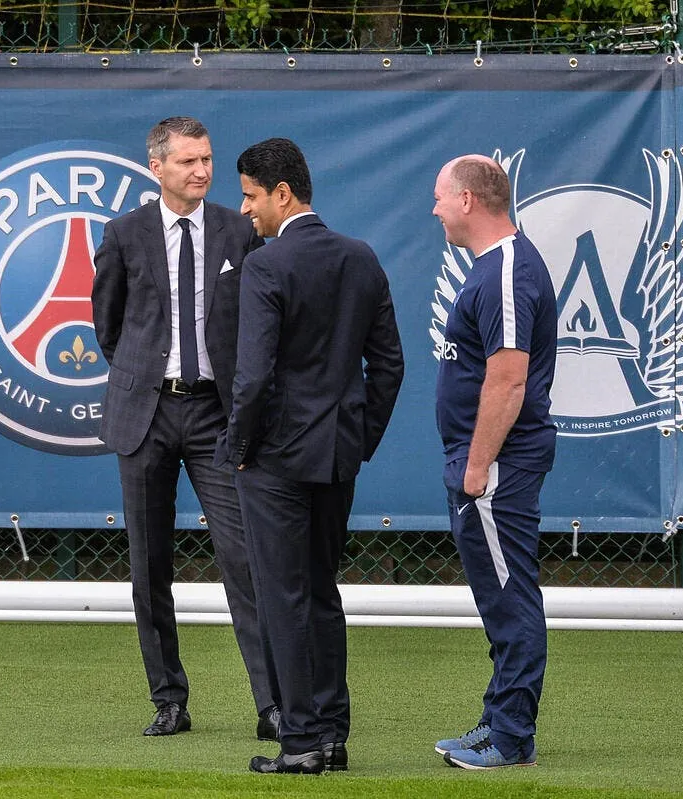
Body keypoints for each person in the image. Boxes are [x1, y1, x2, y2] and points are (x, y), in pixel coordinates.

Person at [91, 116, 280, 742]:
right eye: (188, 161)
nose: (202, 171)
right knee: (149, 566)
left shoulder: (238, 229)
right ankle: (168, 699)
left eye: (207, 159)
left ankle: (273, 704)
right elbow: (109, 327)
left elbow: (259, 321)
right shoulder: (123, 234)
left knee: (244, 558)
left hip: (215, 416)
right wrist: (147, 375)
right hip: (144, 415)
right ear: (157, 167)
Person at [224, 138, 404, 774]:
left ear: (282, 194)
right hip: (336, 458)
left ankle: (300, 741)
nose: (244, 209)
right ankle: (330, 735)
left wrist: (238, 448)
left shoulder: (266, 267)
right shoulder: (362, 258)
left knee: (281, 596)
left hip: (274, 460)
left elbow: (252, 378)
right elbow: (389, 367)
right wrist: (358, 439)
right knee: (322, 591)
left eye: (250, 195)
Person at [429, 155, 557, 769]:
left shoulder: (506, 270)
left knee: (511, 600)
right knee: (501, 598)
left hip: (497, 467)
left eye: (440, 197)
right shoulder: (493, 268)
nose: (434, 209)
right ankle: (498, 722)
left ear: (467, 200)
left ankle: (509, 738)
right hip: (486, 464)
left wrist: (477, 469)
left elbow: (508, 380)